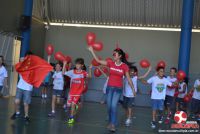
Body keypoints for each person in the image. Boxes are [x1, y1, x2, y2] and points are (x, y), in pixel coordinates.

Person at [88, 46, 136, 132]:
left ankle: (113, 124)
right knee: (109, 107)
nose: (113, 55)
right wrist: (92, 51)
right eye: (113, 53)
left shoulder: (124, 66)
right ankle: (110, 122)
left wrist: (133, 89)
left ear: (120, 56)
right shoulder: (110, 63)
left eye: (115, 54)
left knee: (114, 106)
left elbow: (128, 78)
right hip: (109, 88)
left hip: (118, 89)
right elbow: (98, 61)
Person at [63, 58, 92, 124]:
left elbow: (89, 77)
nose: (77, 65)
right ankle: (71, 106)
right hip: (71, 91)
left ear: (82, 65)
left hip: (78, 92)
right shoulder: (72, 71)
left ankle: (71, 118)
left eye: (79, 64)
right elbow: (64, 73)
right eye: (76, 64)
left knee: (73, 104)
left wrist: (90, 69)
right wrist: (64, 65)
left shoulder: (83, 73)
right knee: (69, 105)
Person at [10, 51, 34, 123]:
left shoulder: (33, 65)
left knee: (25, 103)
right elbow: (14, 68)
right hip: (20, 86)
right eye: (27, 56)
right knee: (16, 101)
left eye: (29, 57)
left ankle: (26, 116)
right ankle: (17, 112)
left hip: (28, 88)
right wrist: (21, 61)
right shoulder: (22, 64)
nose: (28, 58)